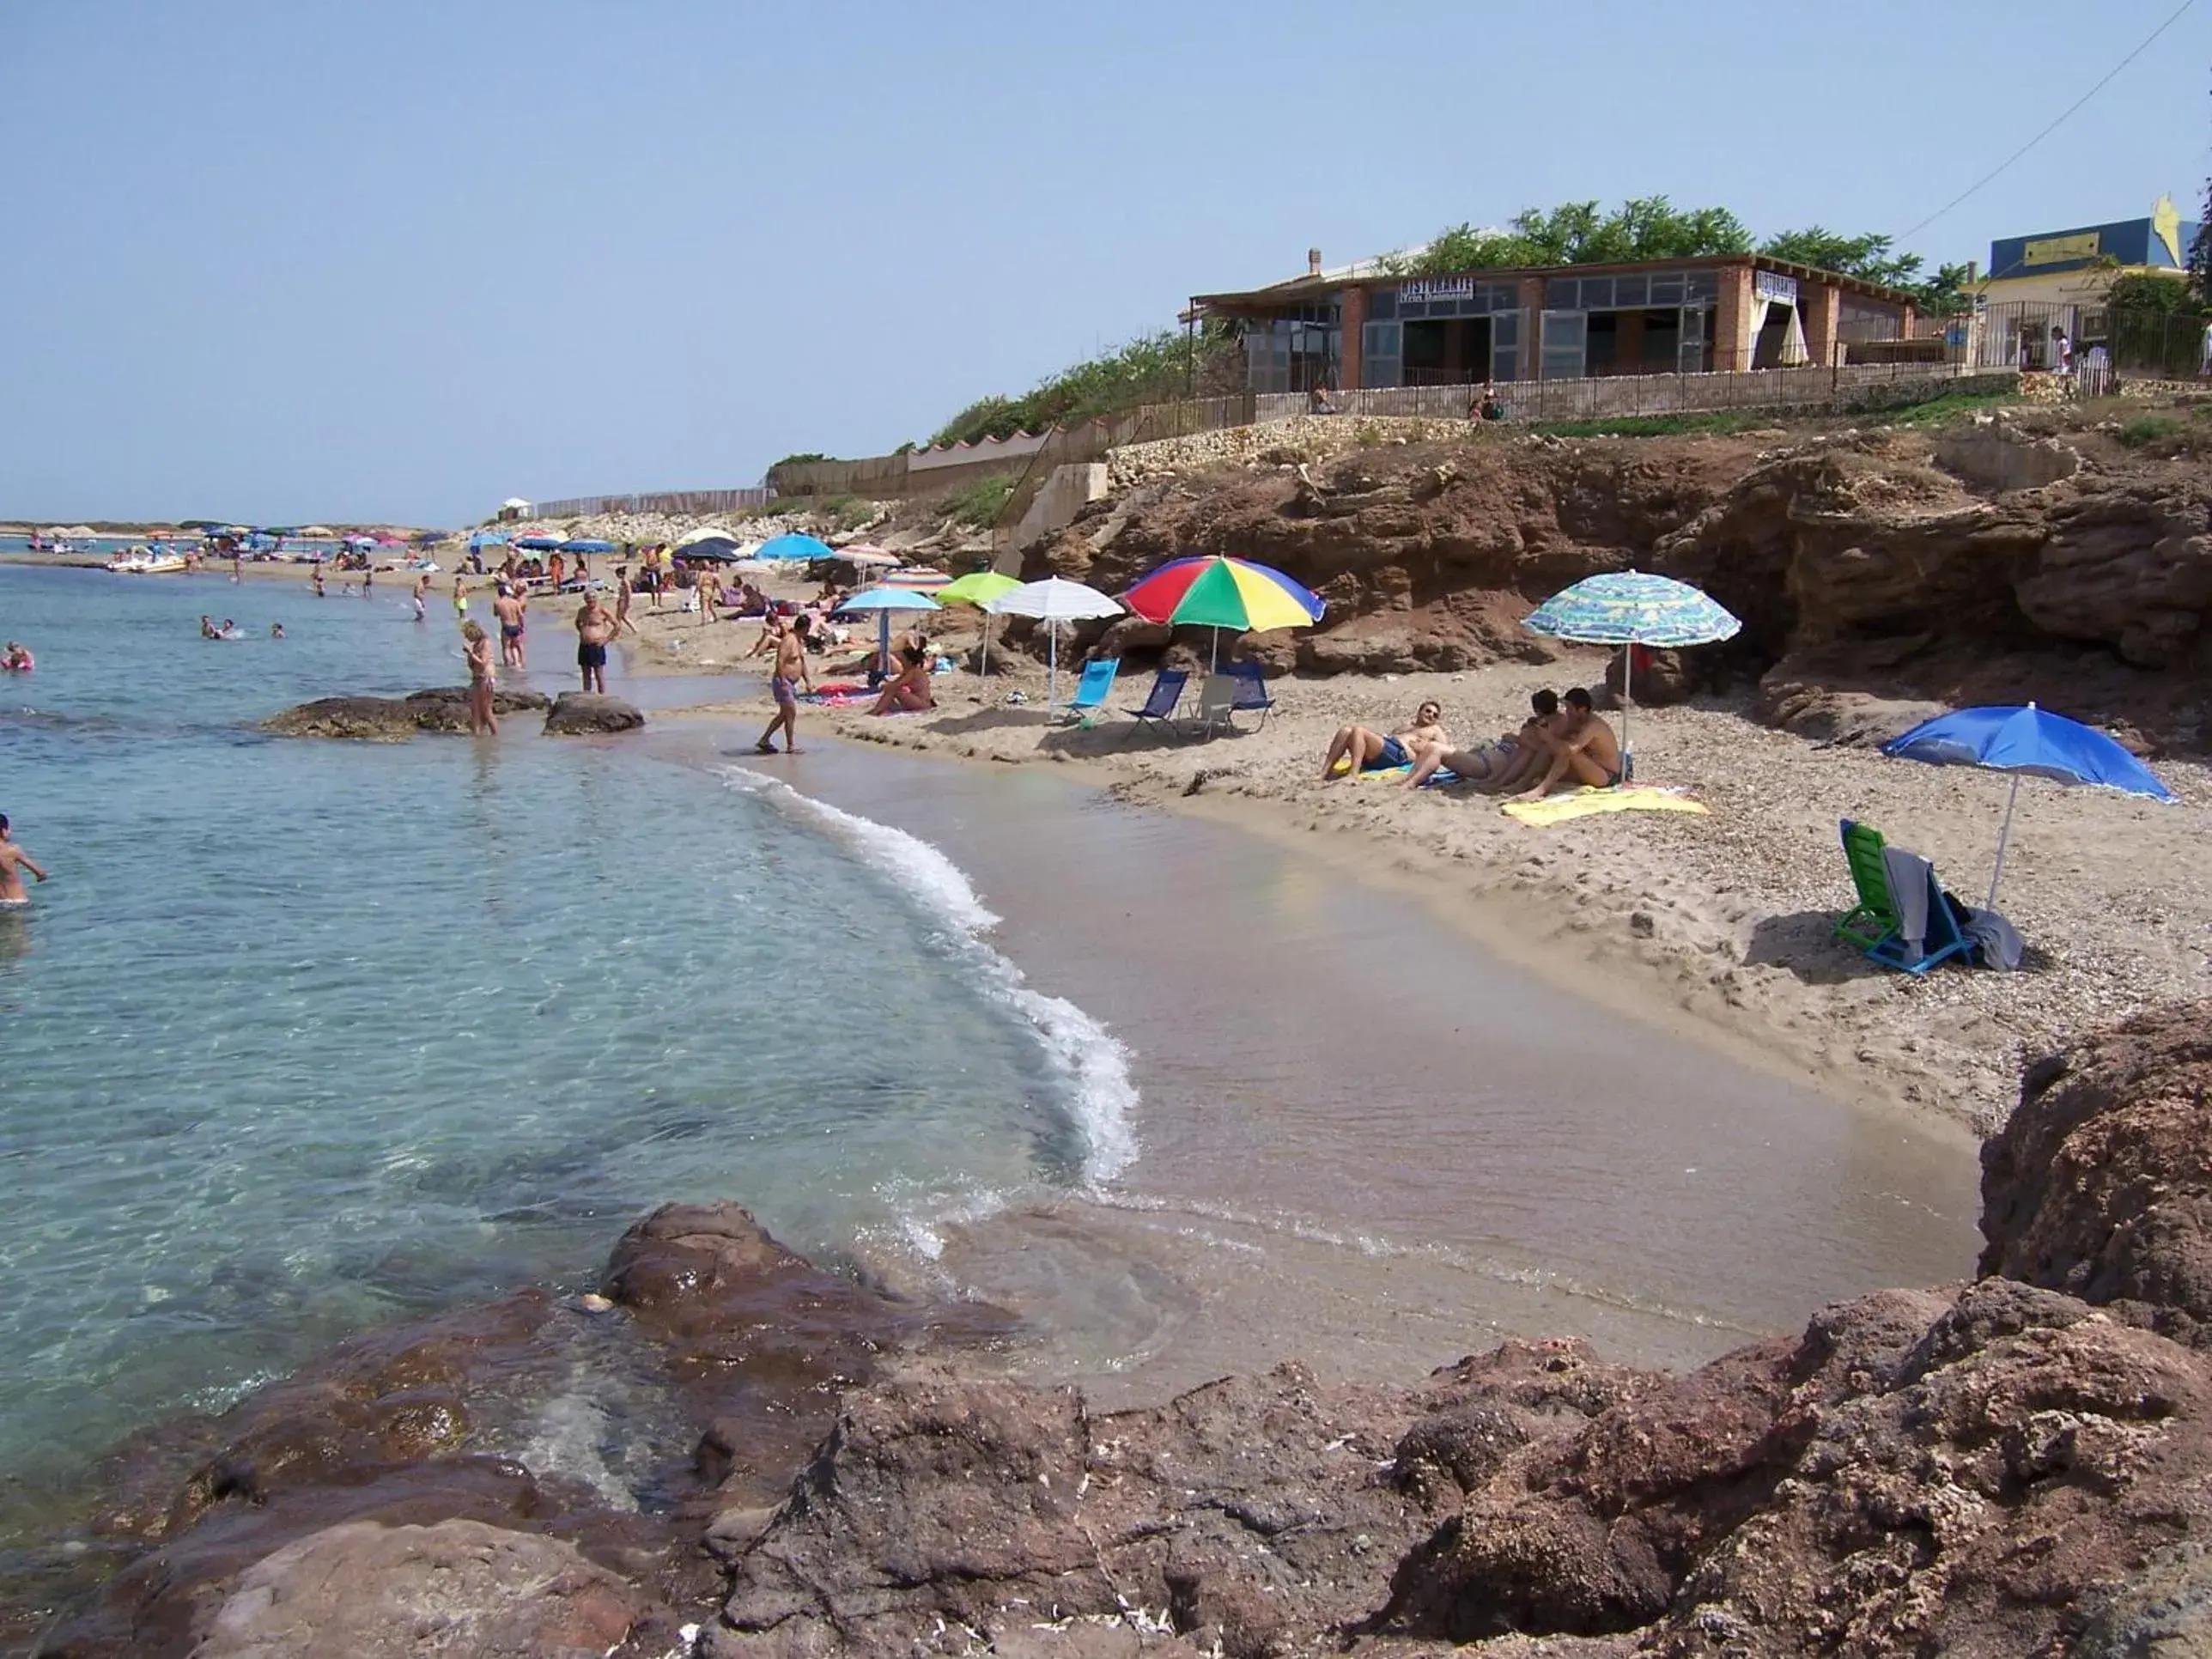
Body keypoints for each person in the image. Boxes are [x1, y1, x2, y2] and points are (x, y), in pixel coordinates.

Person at [1406, 689, 1559, 791]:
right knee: (1433, 748)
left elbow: (1534, 752)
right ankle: (1408, 779)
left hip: (1489, 765)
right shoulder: (1538, 728)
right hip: (1486, 756)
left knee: (1436, 748)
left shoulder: (1541, 735)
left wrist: (1516, 739)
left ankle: (1410, 784)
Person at [1515, 686, 1623, 799]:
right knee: (1548, 749)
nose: (1567, 712)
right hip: (1589, 766)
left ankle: (1541, 790)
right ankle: (1523, 782)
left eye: (1569, 709)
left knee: (1569, 753)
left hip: (1606, 775)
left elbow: (1570, 749)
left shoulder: (1593, 726)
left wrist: (1548, 737)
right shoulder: (1576, 721)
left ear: (1581, 709)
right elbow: (1559, 742)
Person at [1320, 700, 1449, 781]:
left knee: (1359, 730)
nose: (1431, 715)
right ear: (1419, 712)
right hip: (1387, 748)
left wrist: (1426, 747)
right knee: (1346, 731)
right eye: (1428, 711)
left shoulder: (1434, 730)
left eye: (1435, 715)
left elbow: (1444, 751)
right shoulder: (1406, 726)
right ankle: (1324, 773)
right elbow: (1387, 739)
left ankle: (1353, 775)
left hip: (1399, 754)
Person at [753, 614, 811, 755]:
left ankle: (764, 740)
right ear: (804, 628)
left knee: (784, 714)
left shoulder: (799, 641)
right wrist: (783, 680)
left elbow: (801, 662)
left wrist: (808, 681)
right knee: (790, 713)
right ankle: (790, 745)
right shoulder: (789, 640)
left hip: (790, 682)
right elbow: (780, 660)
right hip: (783, 681)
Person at [869, 645, 935, 714]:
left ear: (909, 661)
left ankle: (876, 711)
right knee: (892, 689)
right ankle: (881, 709)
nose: (901, 662)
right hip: (919, 701)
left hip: (922, 703)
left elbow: (897, 684)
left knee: (894, 689)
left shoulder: (914, 671)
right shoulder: (910, 670)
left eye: (903, 660)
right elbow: (896, 682)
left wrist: (886, 685)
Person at [0, 813, 48, 905]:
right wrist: (40, 878)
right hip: (17, 901)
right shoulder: (12, 850)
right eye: (9, 829)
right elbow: (41, 873)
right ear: (3, 831)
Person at [460, 619, 498, 735]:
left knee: (486, 711)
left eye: (468, 635)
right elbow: (472, 665)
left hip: (486, 678)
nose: (467, 638)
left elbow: (483, 662)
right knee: (475, 711)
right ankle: (477, 738)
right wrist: (469, 656)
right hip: (477, 678)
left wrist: (471, 653)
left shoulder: (485, 643)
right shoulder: (476, 645)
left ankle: (496, 736)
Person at [574, 591, 617, 693]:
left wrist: (606, 639)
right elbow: (577, 622)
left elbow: (617, 625)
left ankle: (602, 698)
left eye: (593, 598)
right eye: (588, 598)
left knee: (599, 674)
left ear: (596, 598)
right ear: (585, 600)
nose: (590, 600)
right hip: (584, 645)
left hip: (597, 645)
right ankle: (587, 696)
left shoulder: (602, 610)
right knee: (586, 674)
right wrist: (583, 633)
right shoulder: (582, 611)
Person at [493, 582, 528, 669]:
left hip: (506, 627)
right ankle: (519, 664)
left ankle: (508, 666)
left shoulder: (497, 603)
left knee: (506, 648)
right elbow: (520, 615)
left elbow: (495, 614)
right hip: (516, 626)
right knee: (516, 646)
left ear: (499, 594)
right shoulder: (515, 602)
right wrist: (522, 626)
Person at [614, 567, 637, 636]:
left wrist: (629, 601)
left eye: (617, 574)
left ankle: (617, 633)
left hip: (623, 600)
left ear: (621, 574)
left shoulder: (625, 581)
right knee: (623, 617)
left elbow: (629, 591)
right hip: (622, 599)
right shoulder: (623, 581)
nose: (616, 576)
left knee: (618, 617)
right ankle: (635, 630)